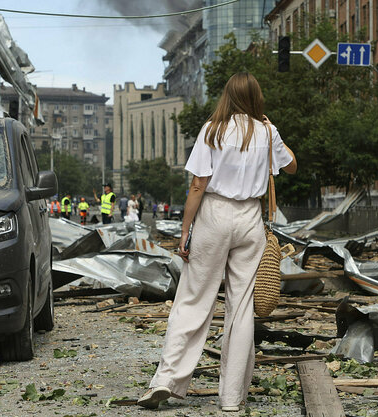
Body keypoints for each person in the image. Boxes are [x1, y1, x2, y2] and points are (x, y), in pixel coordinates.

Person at [137, 72, 297, 412]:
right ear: (256, 96)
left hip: (215, 215)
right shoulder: (268, 132)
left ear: (227, 95)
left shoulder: (212, 129)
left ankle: (167, 380)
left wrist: (185, 231)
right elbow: (292, 165)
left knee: (194, 300)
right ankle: (231, 398)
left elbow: (198, 184)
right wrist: (271, 127)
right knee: (240, 310)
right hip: (250, 220)